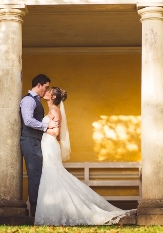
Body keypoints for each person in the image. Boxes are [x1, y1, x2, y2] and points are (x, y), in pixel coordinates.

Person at [35, 87, 135, 225]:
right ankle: (56, 211)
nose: (45, 92)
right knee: (51, 174)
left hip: (50, 144)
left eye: (48, 91)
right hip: (47, 144)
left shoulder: (54, 110)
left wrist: (45, 128)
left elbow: (57, 133)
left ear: (52, 97)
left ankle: (70, 211)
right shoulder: (51, 110)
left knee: (53, 173)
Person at [20, 74, 59, 217]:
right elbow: (28, 121)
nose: (46, 90)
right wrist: (47, 124)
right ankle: (35, 210)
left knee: (38, 174)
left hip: (35, 141)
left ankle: (38, 208)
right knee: (35, 175)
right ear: (38, 85)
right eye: (46, 87)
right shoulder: (28, 101)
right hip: (30, 141)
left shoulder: (36, 101)